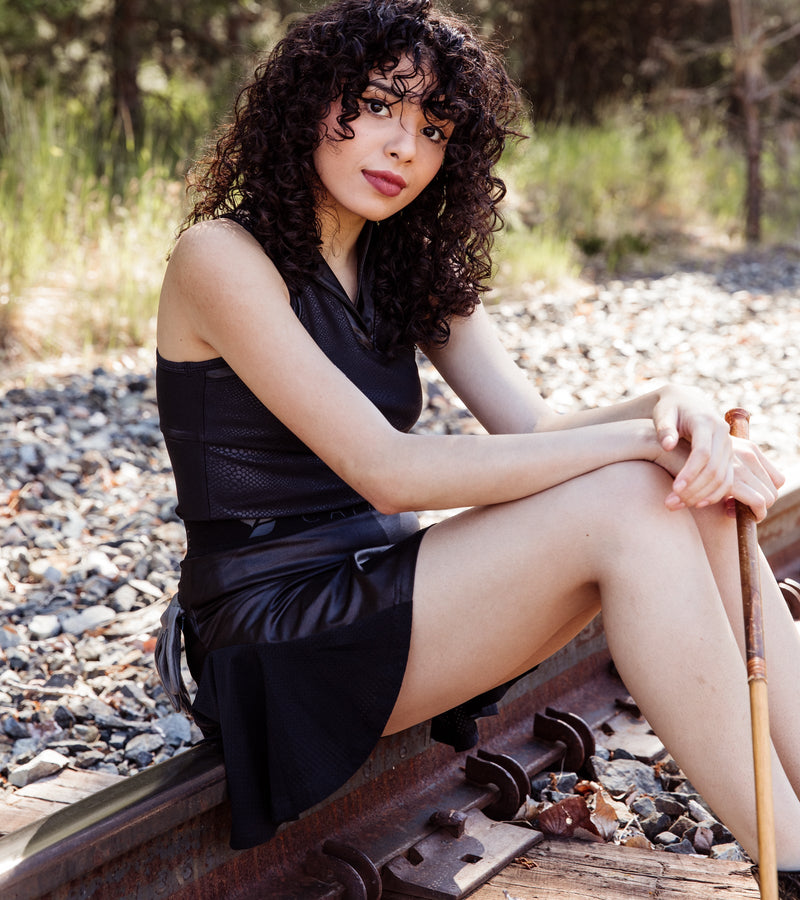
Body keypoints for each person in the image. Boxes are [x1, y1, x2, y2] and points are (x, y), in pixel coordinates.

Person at [154, 0, 800, 884]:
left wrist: (670, 405)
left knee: (687, 482)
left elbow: (534, 428)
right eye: (379, 104)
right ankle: (795, 859)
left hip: (376, 594)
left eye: (433, 126)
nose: (404, 146)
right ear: (310, 100)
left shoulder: (403, 262)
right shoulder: (219, 257)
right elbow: (387, 471)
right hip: (272, 633)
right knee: (635, 493)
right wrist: (634, 452)